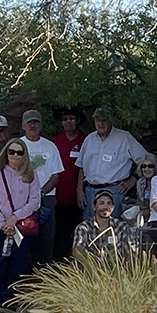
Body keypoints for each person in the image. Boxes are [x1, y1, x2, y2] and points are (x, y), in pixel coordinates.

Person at [0, 138, 41, 313]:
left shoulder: (31, 175)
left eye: (19, 152)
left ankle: (15, 303)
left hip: (21, 227)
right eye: (11, 152)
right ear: (5, 153)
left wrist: (15, 218)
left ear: (25, 155)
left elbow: (35, 201)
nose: (15, 155)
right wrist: (3, 224)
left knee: (18, 267)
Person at [75, 107, 147, 219]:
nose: (101, 123)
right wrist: (80, 190)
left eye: (104, 120)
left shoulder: (124, 137)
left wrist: (133, 180)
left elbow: (145, 160)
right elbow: (81, 168)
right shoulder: (89, 139)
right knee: (90, 231)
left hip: (114, 192)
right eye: (98, 120)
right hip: (90, 193)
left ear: (111, 121)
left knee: (113, 230)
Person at [20, 109, 65, 265]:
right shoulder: (17, 146)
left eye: (36, 122)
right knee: (24, 241)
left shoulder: (50, 146)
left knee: (46, 240)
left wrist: (40, 193)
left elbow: (55, 176)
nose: (33, 125)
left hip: (47, 199)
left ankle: (44, 279)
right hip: (22, 200)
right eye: (29, 122)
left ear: (41, 125)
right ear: (23, 125)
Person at [51, 108, 87, 262]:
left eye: (72, 119)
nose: (68, 122)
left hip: (79, 199)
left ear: (77, 121)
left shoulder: (86, 141)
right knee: (58, 237)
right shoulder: (54, 142)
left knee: (78, 236)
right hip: (57, 199)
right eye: (65, 119)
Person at [72, 189, 140, 256]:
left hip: (117, 266)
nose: (106, 207)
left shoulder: (122, 226)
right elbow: (77, 251)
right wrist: (90, 265)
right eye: (101, 203)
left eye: (109, 203)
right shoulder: (84, 227)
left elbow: (132, 252)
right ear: (94, 207)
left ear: (113, 208)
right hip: (91, 266)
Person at [128, 152, 157, 223]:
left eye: (150, 166)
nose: (146, 169)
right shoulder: (140, 182)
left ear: (155, 167)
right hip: (143, 214)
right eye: (143, 166)